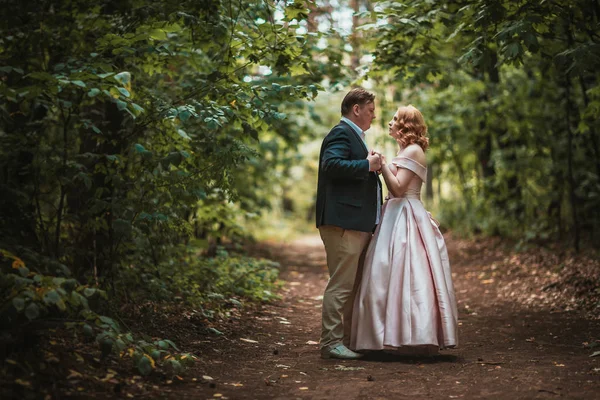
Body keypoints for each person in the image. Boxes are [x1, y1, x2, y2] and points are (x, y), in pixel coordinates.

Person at [350, 105, 458, 355]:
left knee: (408, 273)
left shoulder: (413, 150)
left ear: (406, 125)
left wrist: (382, 164)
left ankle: (411, 336)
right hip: (395, 214)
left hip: (406, 215)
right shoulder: (407, 149)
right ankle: (388, 336)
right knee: (387, 274)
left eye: (395, 119)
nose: (389, 123)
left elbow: (398, 189)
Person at [315, 88, 383, 360]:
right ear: (356, 109)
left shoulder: (354, 136)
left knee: (350, 284)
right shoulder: (341, 133)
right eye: (370, 110)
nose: (374, 115)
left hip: (353, 222)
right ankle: (331, 343)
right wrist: (367, 165)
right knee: (342, 283)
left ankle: (343, 340)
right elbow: (330, 165)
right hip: (343, 223)